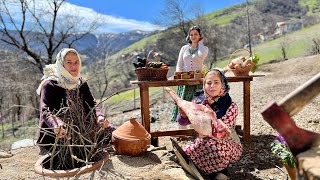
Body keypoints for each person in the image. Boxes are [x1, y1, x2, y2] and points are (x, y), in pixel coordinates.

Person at [36, 48, 114, 155]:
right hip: (60, 134)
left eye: (76, 62)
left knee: (115, 134)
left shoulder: (80, 82)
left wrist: (99, 116)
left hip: (84, 129)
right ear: (61, 64)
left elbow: (91, 103)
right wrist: (57, 124)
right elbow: (46, 111)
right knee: (70, 153)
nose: (74, 66)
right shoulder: (50, 85)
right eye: (69, 62)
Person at [176, 69, 243, 178]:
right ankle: (208, 172)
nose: (212, 86)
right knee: (185, 153)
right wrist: (183, 115)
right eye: (209, 83)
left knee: (215, 148)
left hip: (225, 142)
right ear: (204, 85)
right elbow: (182, 122)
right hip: (203, 141)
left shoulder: (231, 106)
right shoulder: (200, 102)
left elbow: (221, 132)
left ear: (223, 84)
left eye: (216, 82)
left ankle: (221, 171)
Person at [171, 26, 209, 125]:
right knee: (182, 104)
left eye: (196, 34)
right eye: (191, 34)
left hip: (197, 81)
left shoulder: (204, 49)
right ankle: (182, 127)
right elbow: (179, 63)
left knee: (196, 104)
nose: (193, 36)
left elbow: (200, 55)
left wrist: (200, 43)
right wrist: (179, 76)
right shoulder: (184, 48)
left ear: (200, 36)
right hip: (185, 80)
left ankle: (196, 127)